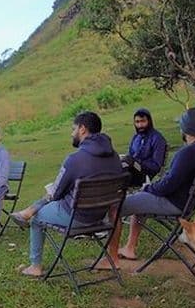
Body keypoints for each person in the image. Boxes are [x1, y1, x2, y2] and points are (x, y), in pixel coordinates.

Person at [96, 107, 195, 269]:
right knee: (139, 201)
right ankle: (130, 248)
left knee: (116, 206)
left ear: (185, 128)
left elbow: (168, 184)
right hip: (184, 202)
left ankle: (112, 259)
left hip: (172, 202)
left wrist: (149, 188)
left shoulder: (187, 153)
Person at [19, 111, 123, 277]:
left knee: (37, 218)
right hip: (101, 217)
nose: (71, 133)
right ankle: (28, 210)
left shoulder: (74, 159)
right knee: (47, 202)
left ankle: (35, 266)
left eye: (73, 128)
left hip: (76, 217)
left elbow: (58, 193)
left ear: (82, 129)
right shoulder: (115, 156)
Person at [122, 108, 167, 186]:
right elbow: (129, 156)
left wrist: (137, 162)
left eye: (143, 121)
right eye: (137, 122)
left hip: (146, 174)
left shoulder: (157, 139)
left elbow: (156, 166)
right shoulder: (135, 138)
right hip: (132, 170)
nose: (140, 125)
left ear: (149, 121)